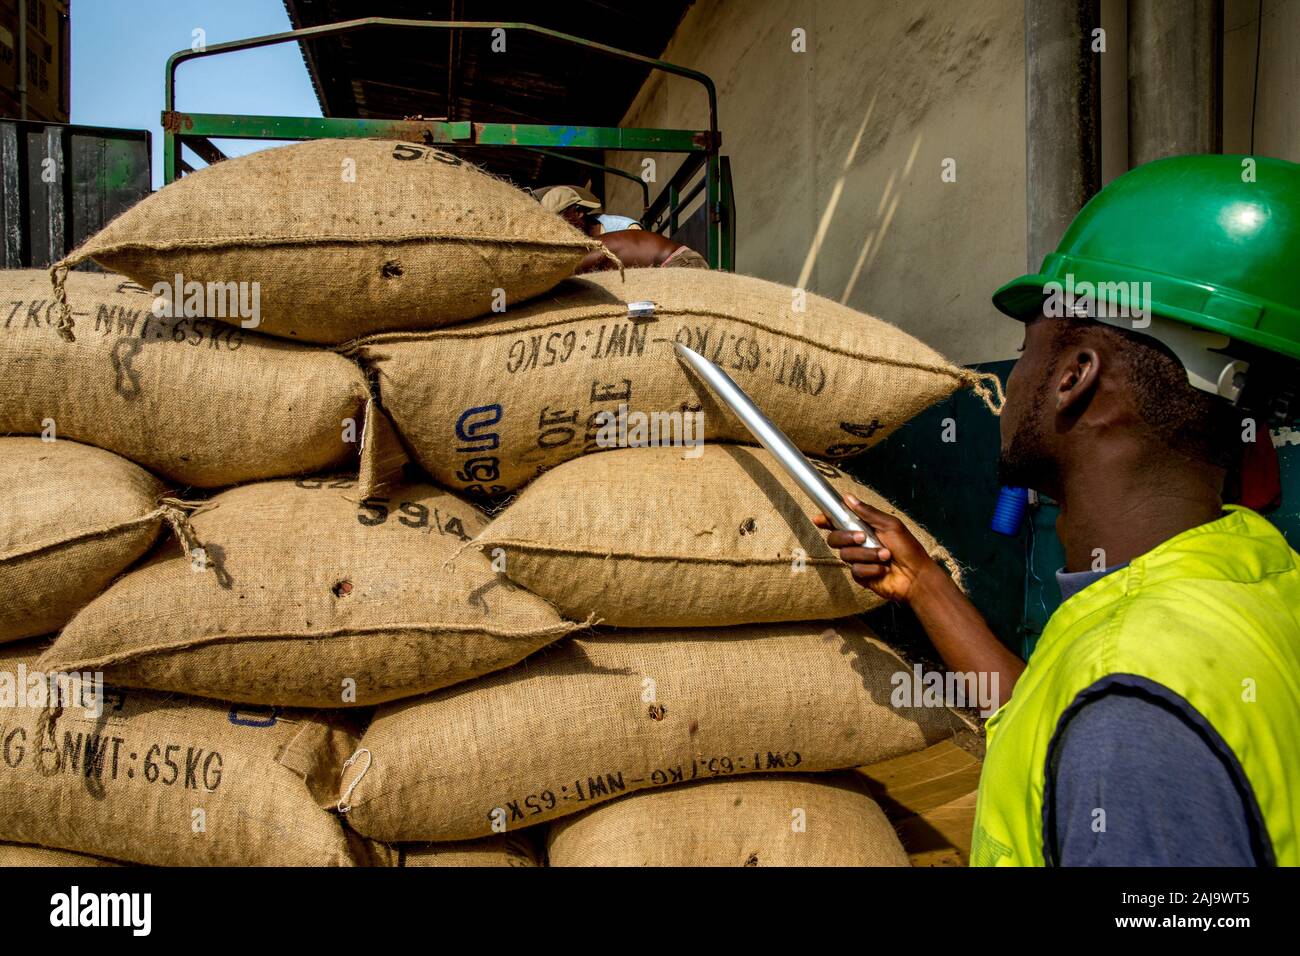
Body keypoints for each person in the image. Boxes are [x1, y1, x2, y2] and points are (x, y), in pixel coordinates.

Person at [818, 154, 1300, 866]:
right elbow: (1044, 717)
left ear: (1073, 377)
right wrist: (922, 583)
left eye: (1026, 351)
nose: (1010, 386)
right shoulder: (1250, 568)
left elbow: (1111, 723)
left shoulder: (1134, 717)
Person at [536, 184, 709, 272]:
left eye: (560, 222)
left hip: (678, 264)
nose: (557, 230)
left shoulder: (620, 228)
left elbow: (568, 270)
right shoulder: (586, 243)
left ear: (579, 212)